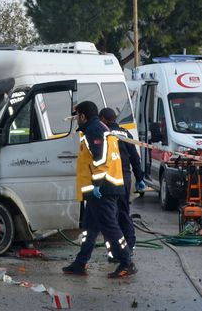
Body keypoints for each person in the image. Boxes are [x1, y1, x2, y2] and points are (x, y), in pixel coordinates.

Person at [63, 101, 137, 279]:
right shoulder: (98, 128)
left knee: (111, 227)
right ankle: (81, 262)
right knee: (90, 227)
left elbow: (101, 158)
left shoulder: (94, 130)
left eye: (77, 116)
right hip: (101, 188)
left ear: (83, 116)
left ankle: (127, 262)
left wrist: (97, 183)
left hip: (103, 189)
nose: (77, 120)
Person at [98, 107, 145, 262]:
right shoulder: (125, 134)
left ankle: (115, 250)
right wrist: (139, 178)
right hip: (125, 178)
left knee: (110, 215)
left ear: (103, 119)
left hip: (110, 178)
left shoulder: (103, 134)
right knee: (124, 211)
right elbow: (135, 159)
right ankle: (129, 245)